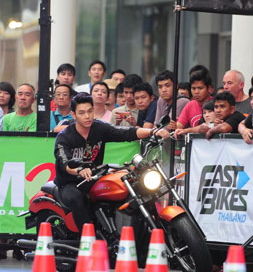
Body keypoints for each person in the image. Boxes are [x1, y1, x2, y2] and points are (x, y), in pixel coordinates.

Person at [54, 93, 170, 231]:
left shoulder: (99, 128)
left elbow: (126, 132)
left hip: (94, 177)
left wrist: (153, 132)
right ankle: (88, 239)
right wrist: (79, 170)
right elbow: (65, 163)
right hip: (70, 183)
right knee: (76, 198)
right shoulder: (65, 137)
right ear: (73, 115)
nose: (87, 116)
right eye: (82, 113)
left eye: (90, 111)